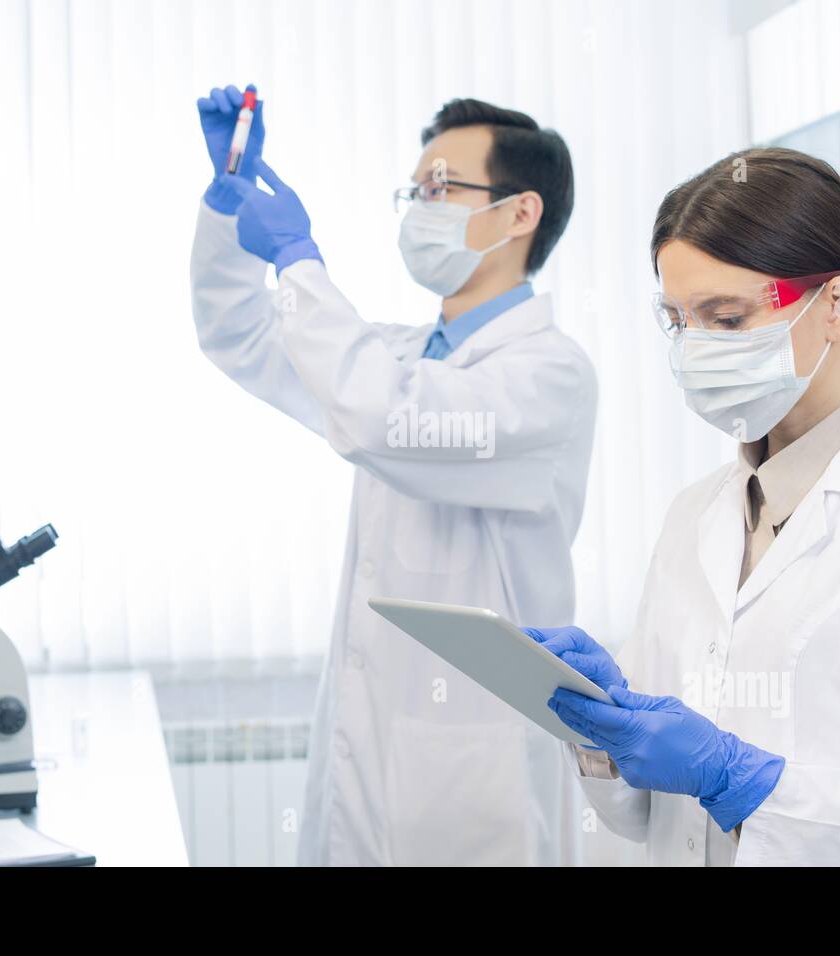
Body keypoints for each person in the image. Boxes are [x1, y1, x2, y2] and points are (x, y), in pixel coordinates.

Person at [529, 147, 840, 866]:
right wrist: (603, 734)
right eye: (679, 322)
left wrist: (740, 780)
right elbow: (649, 821)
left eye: (728, 319)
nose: (694, 349)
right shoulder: (694, 516)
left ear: (837, 303)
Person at [190, 86, 596, 865]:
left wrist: (301, 262)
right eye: (415, 191)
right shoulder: (401, 353)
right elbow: (237, 336)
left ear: (520, 213)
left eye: (441, 188)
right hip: (370, 749)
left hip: (475, 779)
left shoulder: (549, 377)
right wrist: (226, 204)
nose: (419, 207)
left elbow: (384, 418)